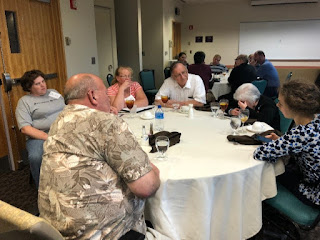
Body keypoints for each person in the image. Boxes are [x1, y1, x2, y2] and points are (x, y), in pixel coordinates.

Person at [38, 73, 163, 239]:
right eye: (105, 94)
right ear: (93, 95)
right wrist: (152, 169)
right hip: (104, 233)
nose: (108, 99)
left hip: (53, 231)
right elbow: (146, 187)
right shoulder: (106, 122)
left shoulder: (59, 121)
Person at [254, 80, 320, 208]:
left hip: (313, 192)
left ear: (293, 108)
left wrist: (280, 143)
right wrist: (282, 140)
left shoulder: (300, 133)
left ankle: (264, 212)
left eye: (281, 103)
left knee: (270, 174)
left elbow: (260, 153)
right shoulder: (315, 120)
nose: (277, 105)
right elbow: (304, 144)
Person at [15, 70, 65, 188]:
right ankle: (42, 189)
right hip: (40, 135)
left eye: (43, 81)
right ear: (29, 87)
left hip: (63, 129)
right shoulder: (24, 102)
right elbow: (25, 129)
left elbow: (67, 107)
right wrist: (48, 137)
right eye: (37, 84)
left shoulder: (53, 93)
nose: (43, 85)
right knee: (36, 157)